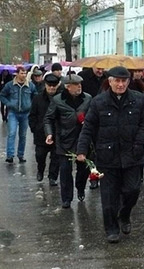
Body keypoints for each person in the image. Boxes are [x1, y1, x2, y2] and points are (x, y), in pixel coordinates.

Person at [76, 66, 144, 243]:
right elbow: (88, 128)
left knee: (132, 190)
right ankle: (111, 228)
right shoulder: (98, 102)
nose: (120, 84)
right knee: (109, 196)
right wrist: (81, 150)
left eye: (123, 81)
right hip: (107, 156)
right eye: (116, 81)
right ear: (109, 82)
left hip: (132, 154)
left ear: (128, 82)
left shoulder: (138, 100)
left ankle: (124, 214)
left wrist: (140, 141)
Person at [44, 73, 92, 208]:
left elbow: (93, 116)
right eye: (76, 85)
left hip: (82, 140)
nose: (79, 87)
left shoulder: (87, 99)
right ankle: (66, 198)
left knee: (83, 169)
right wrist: (49, 134)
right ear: (68, 87)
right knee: (65, 171)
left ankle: (81, 188)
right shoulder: (58, 100)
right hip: (64, 140)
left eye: (80, 84)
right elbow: (48, 118)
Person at [0, 66, 38, 163]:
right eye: (22, 73)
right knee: (12, 133)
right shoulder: (10, 85)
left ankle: (21, 155)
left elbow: (35, 96)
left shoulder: (30, 85)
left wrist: (31, 105)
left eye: (25, 73)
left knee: (23, 135)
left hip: (25, 113)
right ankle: (10, 155)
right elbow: (2, 95)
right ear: (17, 74)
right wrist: (8, 104)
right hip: (13, 112)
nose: (24, 75)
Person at [29, 74, 60, 186]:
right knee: (40, 155)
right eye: (49, 86)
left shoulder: (61, 98)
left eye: (54, 86)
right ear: (45, 85)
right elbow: (32, 115)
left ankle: (52, 177)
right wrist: (35, 129)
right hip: (41, 133)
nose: (51, 88)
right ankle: (40, 170)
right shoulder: (38, 98)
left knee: (56, 157)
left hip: (57, 133)